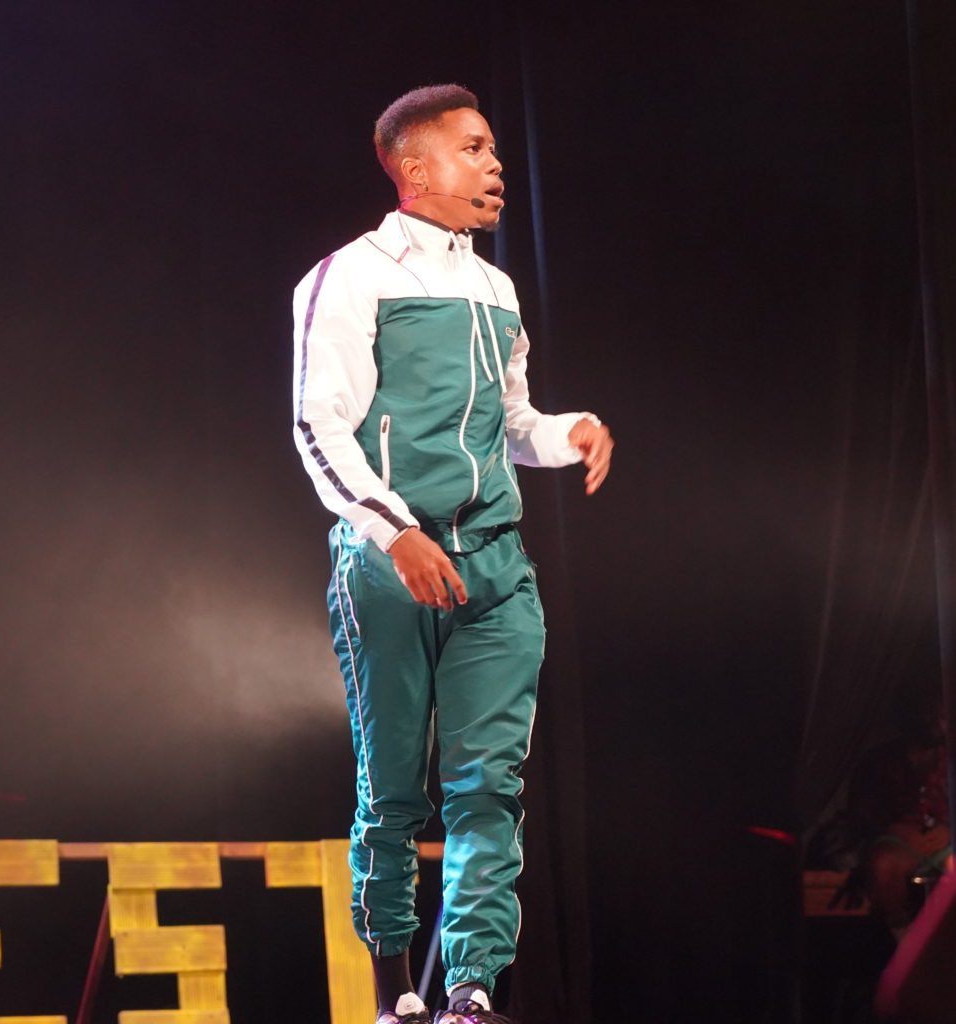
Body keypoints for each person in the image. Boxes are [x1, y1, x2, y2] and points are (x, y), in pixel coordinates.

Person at [291, 84, 614, 1024]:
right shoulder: (347, 277)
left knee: (489, 787)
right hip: (390, 565)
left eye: (493, 149)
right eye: (473, 148)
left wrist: (567, 432)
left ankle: (469, 991)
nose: (495, 164)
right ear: (416, 168)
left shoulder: (494, 288)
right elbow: (319, 429)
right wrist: (395, 532)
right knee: (393, 789)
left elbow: (510, 423)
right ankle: (395, 990)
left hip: (496, 569)